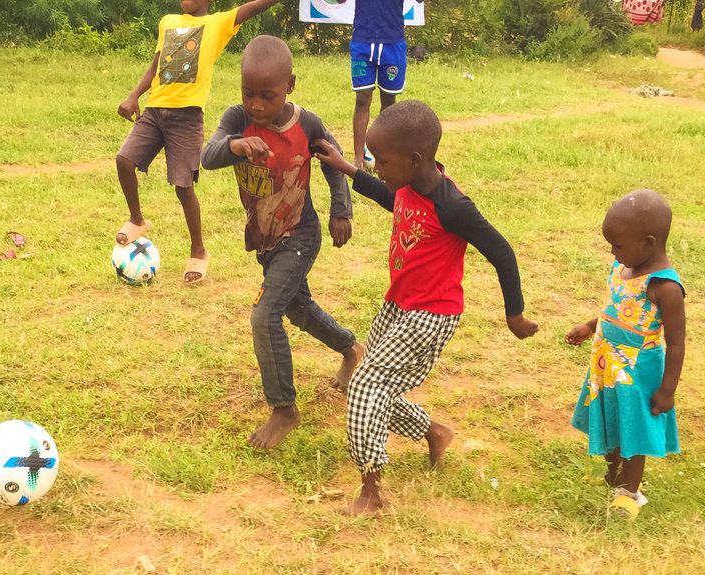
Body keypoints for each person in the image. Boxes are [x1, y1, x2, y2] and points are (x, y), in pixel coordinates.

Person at [313, 100, 539, 515]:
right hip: (398, 305)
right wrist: (346, 167)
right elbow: (389, 196)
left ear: (414, 160)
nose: (377, 167)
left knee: (365, 387)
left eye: (382, 161)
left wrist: (515, 315)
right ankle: (434, 432)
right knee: (372, 382)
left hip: (431, 315)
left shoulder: (452, 206)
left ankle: (371, 491)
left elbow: (501, 252)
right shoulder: (408, 186)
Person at [201, 35, 365, 449]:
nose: (256, 104)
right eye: (249, 93)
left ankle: (284, 409)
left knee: (264, 315)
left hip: (299, 235)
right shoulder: (238, 118)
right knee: (298, 308)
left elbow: (334, 162)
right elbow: (208, 155)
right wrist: (236, 145)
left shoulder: (307, 125)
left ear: (290, 85)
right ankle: (351, 349)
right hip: (266, 238)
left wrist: (341, 210)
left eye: (268, 95)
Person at [114, 0, 283, 284]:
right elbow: (156, 65)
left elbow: (253, 8)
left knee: (183, 186)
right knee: (123, 160)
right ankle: (137, 219)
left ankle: (198, 250)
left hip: (187, 116)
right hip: (155, 110)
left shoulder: (217, 23)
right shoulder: (167, 22)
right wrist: (134, 96)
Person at [566, 189, 685, 519]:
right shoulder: (622, 268)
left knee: (633, 431)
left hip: (636, 373)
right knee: (611, 423)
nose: (612, 252)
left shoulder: (665, 287)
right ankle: (614, 476)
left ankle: (629, 493)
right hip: (606, 365)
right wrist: (590, 326)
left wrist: (667, 390)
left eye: (617, 245)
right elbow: (616, 311)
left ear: (648, 243)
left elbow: (677, 344)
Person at [342, 0, 423, 171]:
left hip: (392, 43)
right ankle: (358, 158)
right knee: (362, 98)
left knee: (388, 100)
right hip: (362, 42)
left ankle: (382, 153)